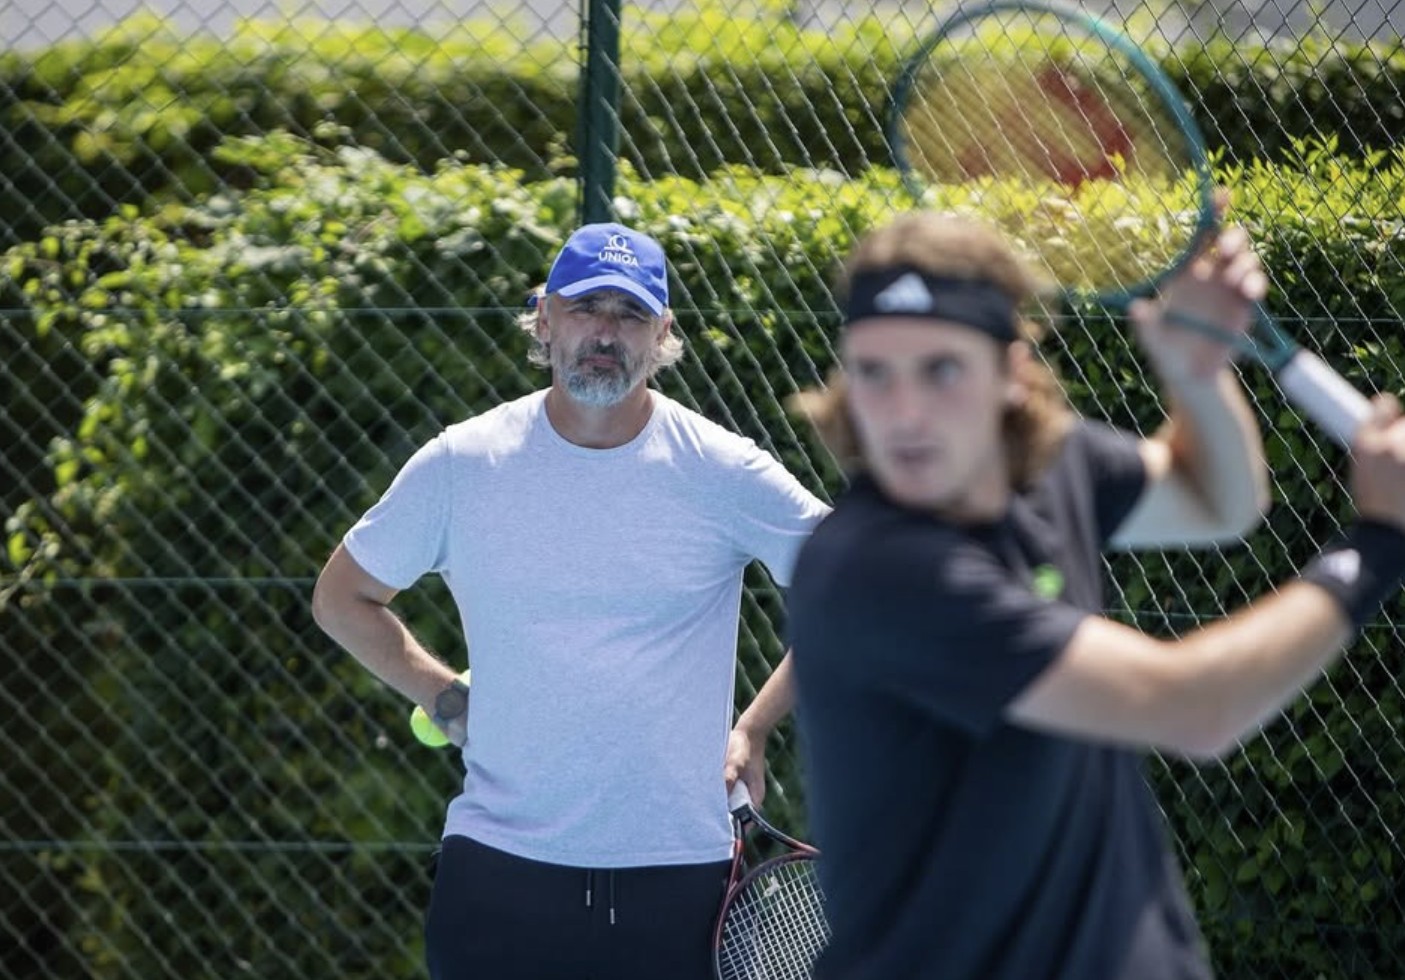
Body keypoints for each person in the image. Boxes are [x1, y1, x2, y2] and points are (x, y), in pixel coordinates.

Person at [785, 207, 1405, 979]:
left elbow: (1218, 500)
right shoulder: (874, 571)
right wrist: (1377, 542)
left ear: (1010, 374)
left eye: (941, 370)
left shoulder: (1056, 465)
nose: (903, 414)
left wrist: (1195, 376)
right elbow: (1190, 709)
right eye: (873, 372)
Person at [310, 222, 830, 980]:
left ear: (662, 334)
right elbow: (342, 598)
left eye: (629, 314)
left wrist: (751, 729)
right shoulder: (463, 462)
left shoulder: (723, 470)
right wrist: (445, 698)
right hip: (499, 869)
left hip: (681, 875)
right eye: (587, 308)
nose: (605, 332)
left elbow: (862, 597)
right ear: (545, 320)